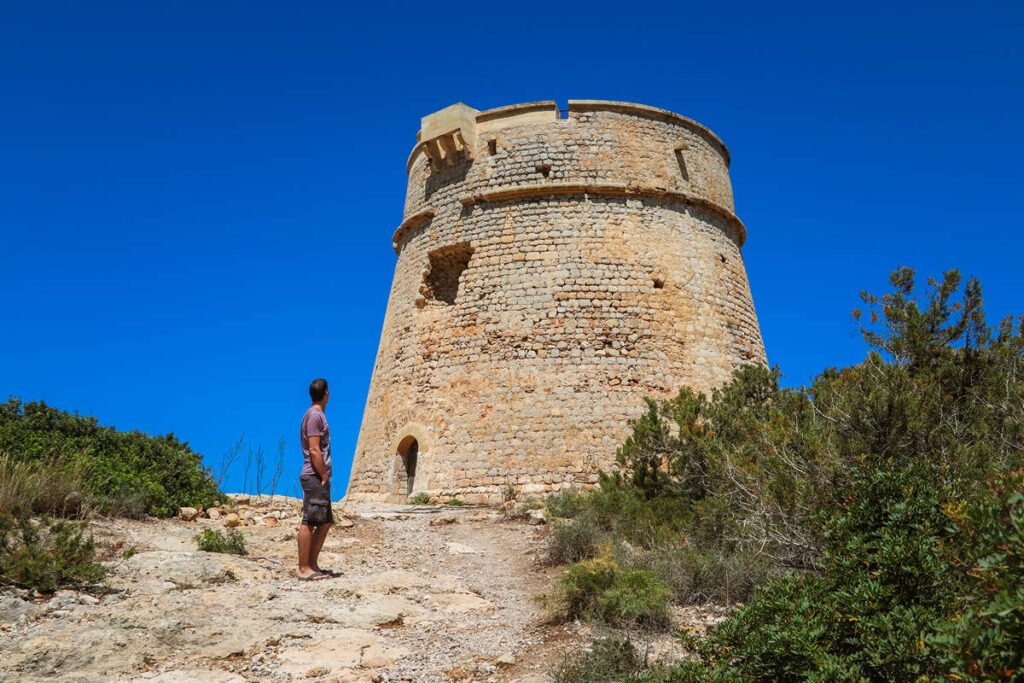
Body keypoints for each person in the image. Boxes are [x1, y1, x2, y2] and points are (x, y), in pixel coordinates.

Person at [297, 378, 335, 580]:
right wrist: (322, 475)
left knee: (325, 521)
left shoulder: (318, 415)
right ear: (326, 393)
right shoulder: (314, 416)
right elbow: (314, 448)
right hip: (313, 474)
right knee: (309, 521)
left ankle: (312, 564)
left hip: (318, 474)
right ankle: (303, 568)